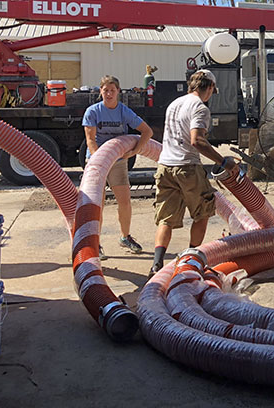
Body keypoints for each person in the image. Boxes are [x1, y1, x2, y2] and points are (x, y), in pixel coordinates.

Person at [150, 70, 239, 277]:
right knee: (203, 213)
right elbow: (196, 141)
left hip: (165, 166)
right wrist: (224, 161)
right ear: (209, 87)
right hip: (187, 167)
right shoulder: (199, 107)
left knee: (166, 219)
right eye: (212, 91)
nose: (211, 95)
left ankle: (156, 265)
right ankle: (190, 260)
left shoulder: (175, 104)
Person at [83, 75, 153, 258]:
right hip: (96, 163)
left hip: (119, 162)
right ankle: (95, 242)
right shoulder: (93, 111)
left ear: (118, 92)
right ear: (100, 91)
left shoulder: (123, 111)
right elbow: (90, 139)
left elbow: (147, 131)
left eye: (112, 90)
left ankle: (125, 237)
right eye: (105, 90)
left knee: (125, 201)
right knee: (97, 204)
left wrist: (135, 150)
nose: (109, 94)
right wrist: (100, 161)